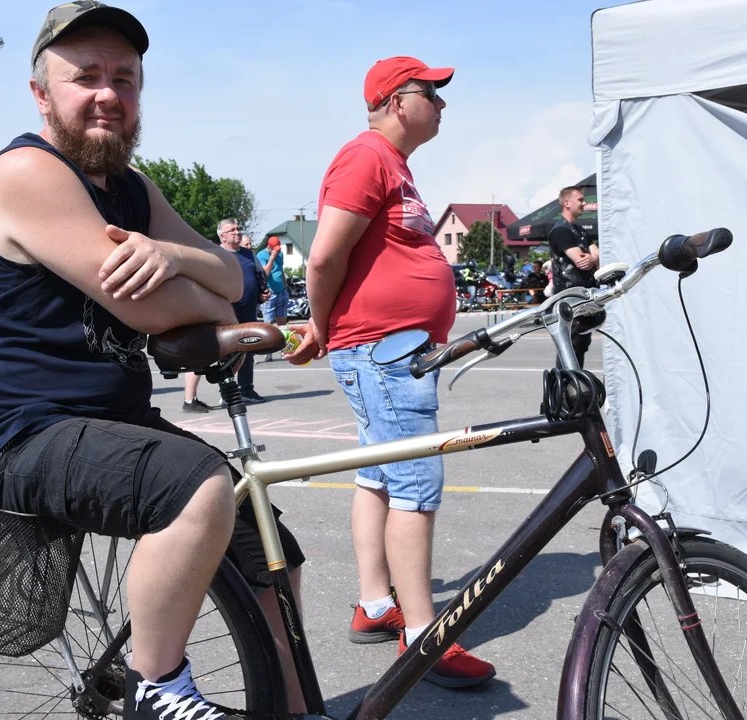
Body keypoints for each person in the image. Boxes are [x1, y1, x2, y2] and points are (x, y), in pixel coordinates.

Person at [0, 5, 307, 717]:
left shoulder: (135, 190)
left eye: (126, 77)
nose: (109, 93)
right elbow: (151, 308)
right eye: (86, 77)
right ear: (41, 94)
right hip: (19, 434)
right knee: (196, 485)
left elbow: (238, 279)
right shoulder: (26, 170)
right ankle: (159, 688)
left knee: (271, 553)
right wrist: (198, 286)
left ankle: (294, 712)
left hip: (112, 421)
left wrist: (173, 254)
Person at [286, 55, 495, 688]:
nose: (442, 103)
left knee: (380, 473)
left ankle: (377, 604)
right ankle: (424, 636)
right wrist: (322, 325)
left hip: (391, 350)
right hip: (383, 351)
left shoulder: (394, 166)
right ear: (398, 100)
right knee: (415, 483)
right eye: (433, 92)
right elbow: (324, 256)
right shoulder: (367, 156)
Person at [548, 186, 600, 368]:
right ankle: (562, 392)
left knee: (581, 345)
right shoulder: (561, 231)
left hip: (582, 297)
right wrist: (592, 258)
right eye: (580, 200)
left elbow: (597, 255)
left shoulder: (581, 231)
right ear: (567, 203)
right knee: (571, 345)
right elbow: (580, 261)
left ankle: (574, 390)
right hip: (568, 298)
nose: (584, 203)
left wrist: (593, 258)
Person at [218, 219, 267, 402]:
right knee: (228, 352)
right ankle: (227, 393)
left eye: (238, 229)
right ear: (222, 236)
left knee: (249, 348)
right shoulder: (216, 254)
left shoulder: (248, 254)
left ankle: (247, 389)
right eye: (232, 230)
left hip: (249, 310)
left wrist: (262, 295)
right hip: (227, 312)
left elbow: (259, 277)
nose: (237, 232)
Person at [256, 235, 287, 361]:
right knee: (268, 324)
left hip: (281, 292)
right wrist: (272, 258)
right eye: (275, 249)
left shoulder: (280, 254)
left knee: (282, 324)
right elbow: (265, 274)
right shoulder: (261, 255)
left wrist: (285, 287)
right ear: (268, 247)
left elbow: (280, 270)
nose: (277, 251)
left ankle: (284, 350)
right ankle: (268, 352)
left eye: (278, 249)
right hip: (269, 293)